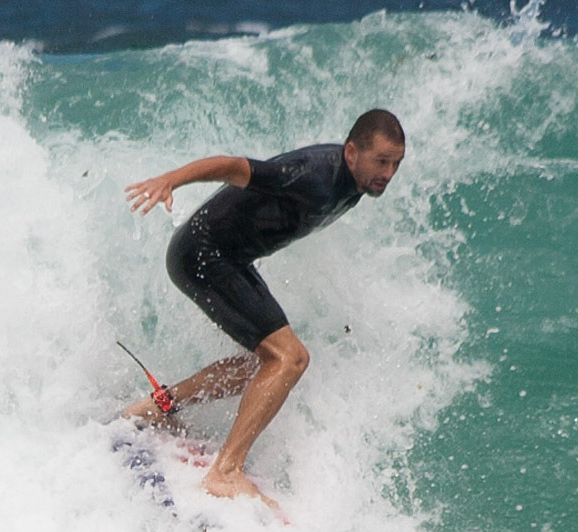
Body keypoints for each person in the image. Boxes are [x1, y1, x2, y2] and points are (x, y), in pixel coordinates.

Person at [123, 109, 406, 508]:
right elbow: (235, 167)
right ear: (351, 152)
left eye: (396, 164)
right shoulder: (313, 176)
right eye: (381, 161)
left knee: (264, 367)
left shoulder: (357, 182)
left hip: (228, 259)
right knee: (290, 359)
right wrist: (171, 180)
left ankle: (158, 407)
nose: (388, 174)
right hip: (202, 254)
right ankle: (224, 473)